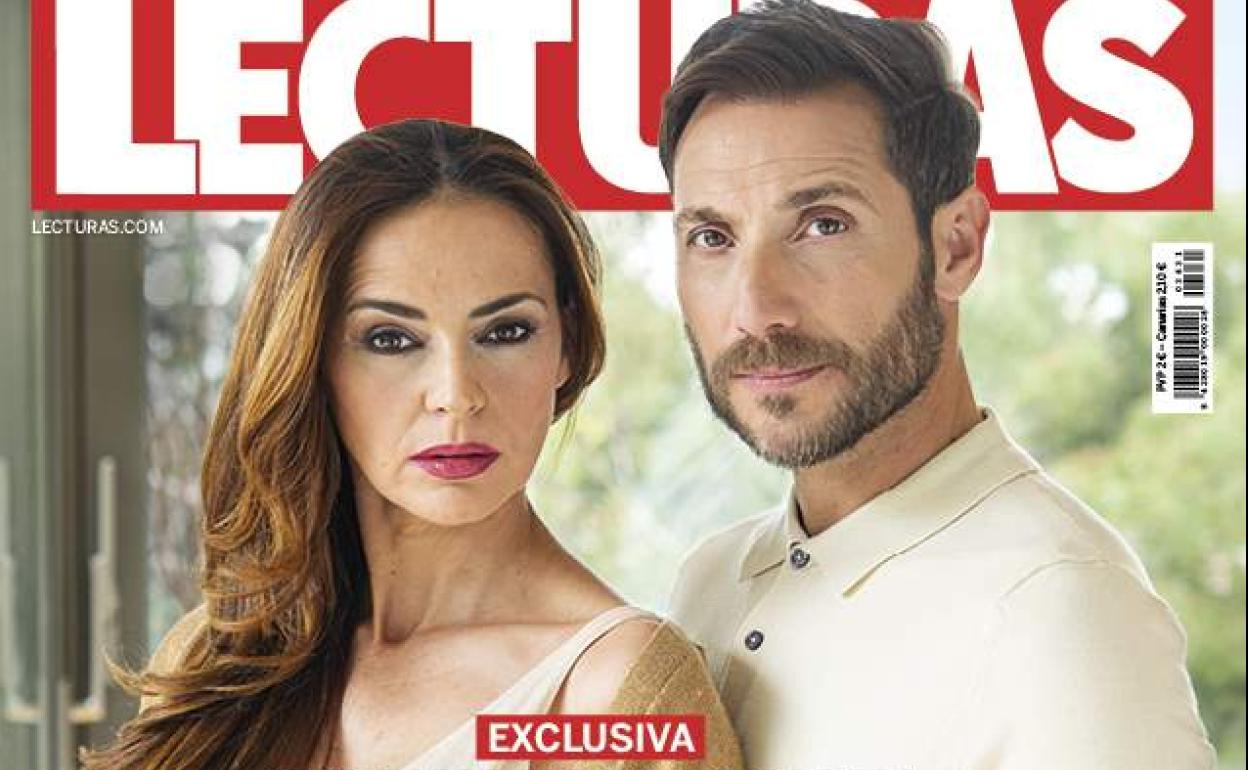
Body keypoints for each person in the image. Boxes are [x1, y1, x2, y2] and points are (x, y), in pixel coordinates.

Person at [79, 119, 741, 770]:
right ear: (313, 361)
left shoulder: (613, 696)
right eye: (391, 339)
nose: (455, 393)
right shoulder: (217, 660)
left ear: (565, 345)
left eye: (505, 332)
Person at [658, 2, 1216, 768]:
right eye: (712, 237)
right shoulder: (709, 581)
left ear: (956, 247)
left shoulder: (1057, 609)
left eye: (824, 224)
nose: (755, 310)